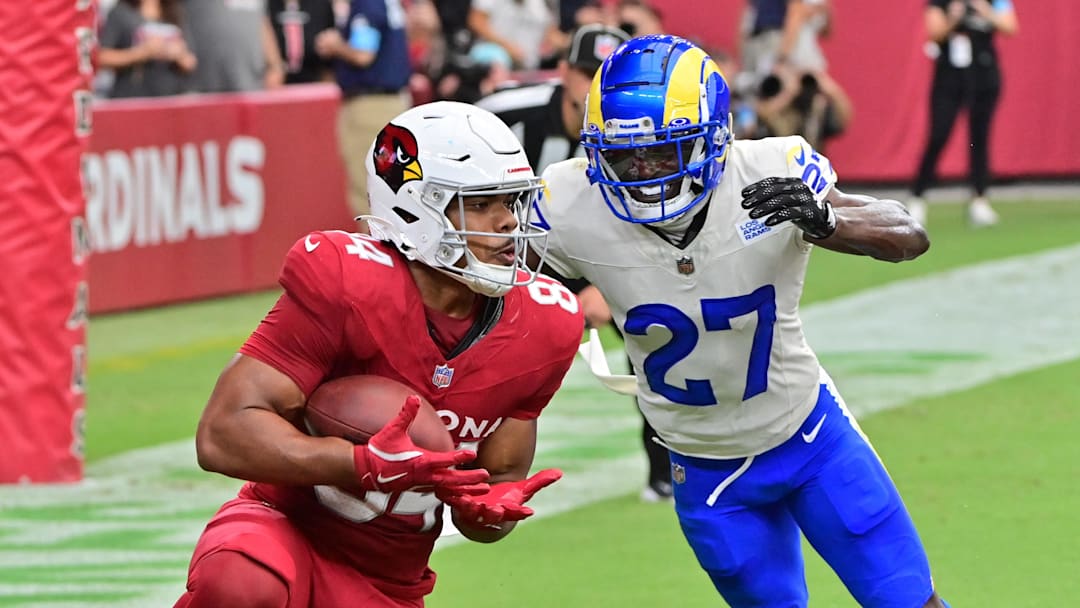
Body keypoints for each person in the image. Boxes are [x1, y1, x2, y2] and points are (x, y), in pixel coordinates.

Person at [536, 35, 947, 607]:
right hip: (705, 470)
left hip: (810, 438)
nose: (643, 174)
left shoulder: (768, 170)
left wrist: (829, 222)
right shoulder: (568, 201)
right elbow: (490, 285)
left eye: (664, 153)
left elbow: (908, 235)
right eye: (625, 156)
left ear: (714, 137)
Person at [172, 101, 584, 608]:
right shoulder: (347, 283)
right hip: (285, 526)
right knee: (240, 579)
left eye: (511, 202)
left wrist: (487, 511)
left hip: (389, 576)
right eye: (481, 204)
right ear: (416, 208)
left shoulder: (543, 324)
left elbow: (497, 482)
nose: (506, 223)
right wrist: (358, 463)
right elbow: (222, 433)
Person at [478, 23, 672, 502]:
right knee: (478, 352)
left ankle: (671, 470)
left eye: (608, 77)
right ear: (564, 72)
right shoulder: (503, 114)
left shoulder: (641, 132)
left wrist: (606, 285)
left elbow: (658, 217)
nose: (594, 89)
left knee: (661, 337)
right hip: (511, 253)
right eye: (588, 73)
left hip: (606, 255)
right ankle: (467, 467)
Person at [906, 0, 1019, 228]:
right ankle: (918, 197)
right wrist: (953, 18)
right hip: (950, 76)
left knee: (980, 138)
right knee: (938, 135)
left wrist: (985, 11)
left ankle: (979, 199)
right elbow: (934, 33)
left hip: (984, 73)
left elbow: (1011, 27)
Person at [315, 0, 412, 225]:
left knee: (370, 189)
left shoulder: (367, 3)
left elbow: (363, 54)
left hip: (371, 105)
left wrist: (335, 45)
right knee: (394, 188)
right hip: (390, 102)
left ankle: (376, 247)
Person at [97, 0, 198, 98]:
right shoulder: (121, 11)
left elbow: (190, 62)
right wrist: (141, 53)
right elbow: (101, 57)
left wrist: (178, 54)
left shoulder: (174, 11)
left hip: (169, 96)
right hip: (132, 96)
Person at [184, 0, 286, 93]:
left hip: (251, 84)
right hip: (204, 86)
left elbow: (261, 21)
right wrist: (180, 53)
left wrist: (275, 65)